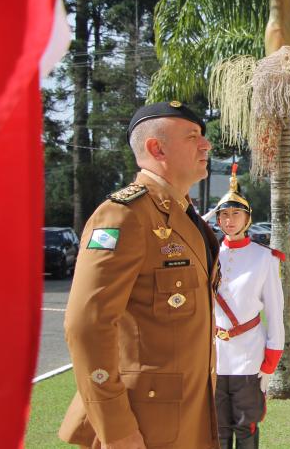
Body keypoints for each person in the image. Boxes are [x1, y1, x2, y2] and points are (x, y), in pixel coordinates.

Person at [59, 101, 220, 449]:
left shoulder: (183, 214)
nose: (205, 145)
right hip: (143, 425)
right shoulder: (124, 216)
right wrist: (115, 429)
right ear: (155, 147)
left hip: (188, 414)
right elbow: (86, 325)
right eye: (193, 137)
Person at [210, 165, 284, 449]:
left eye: (235, 214)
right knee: (217, 428)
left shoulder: (264, 258)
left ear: (247, 218)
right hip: (216, 355)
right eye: (224, 215)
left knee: (246, 427)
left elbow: (275, 314)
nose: (229, 220)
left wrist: (269, 363)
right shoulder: (209, 255)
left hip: (249, 356)